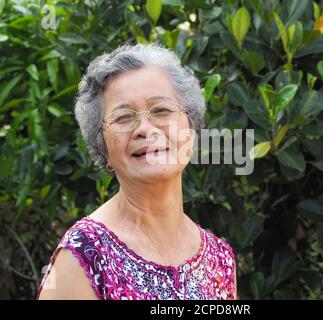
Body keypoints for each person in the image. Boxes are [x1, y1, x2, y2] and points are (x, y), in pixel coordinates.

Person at [37, 42, 237, 300]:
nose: (145, 128)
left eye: (162, 110)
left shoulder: (219, 258)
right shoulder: (83, 256)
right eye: (123, 117)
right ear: (103, 148)